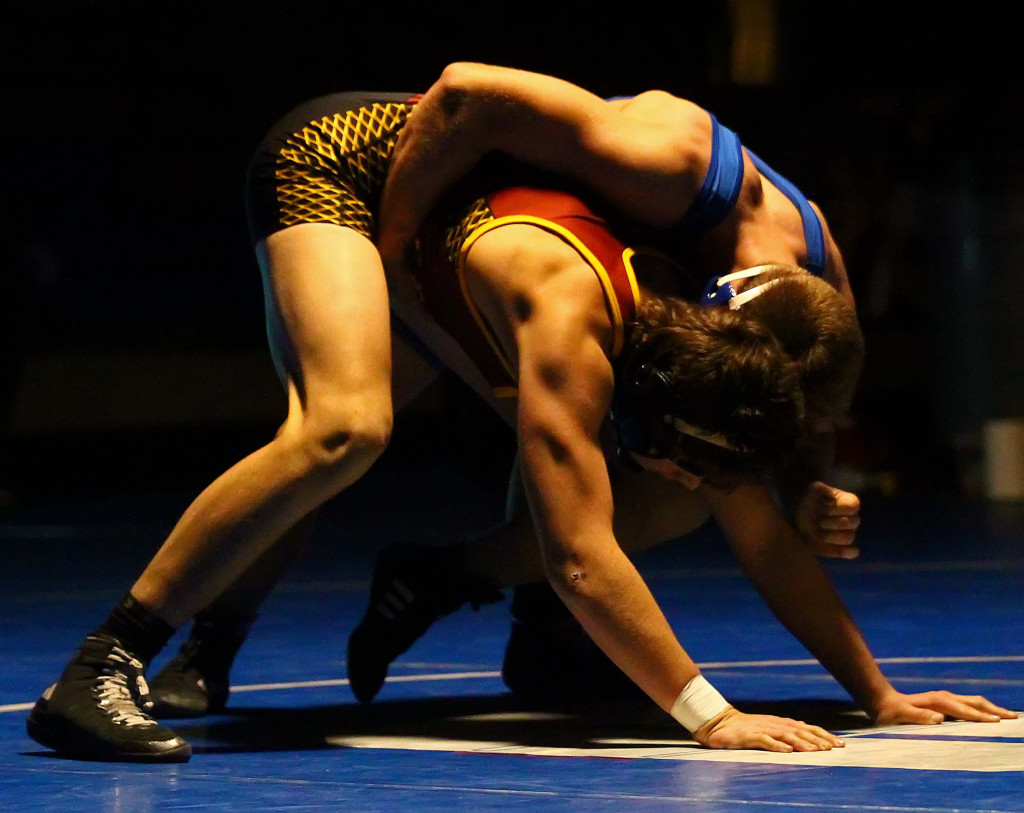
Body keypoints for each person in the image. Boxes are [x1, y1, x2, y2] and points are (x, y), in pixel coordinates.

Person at [26, 73, 1012, 766]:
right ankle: (111, 659)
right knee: (344, 426)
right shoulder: (663, 169)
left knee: (666, 490)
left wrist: (871, 682)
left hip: (483, 252)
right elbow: (466, 92)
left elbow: (755, 499)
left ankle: (512, 633)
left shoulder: (801, 309)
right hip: (362, 172)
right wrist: (399, 239)